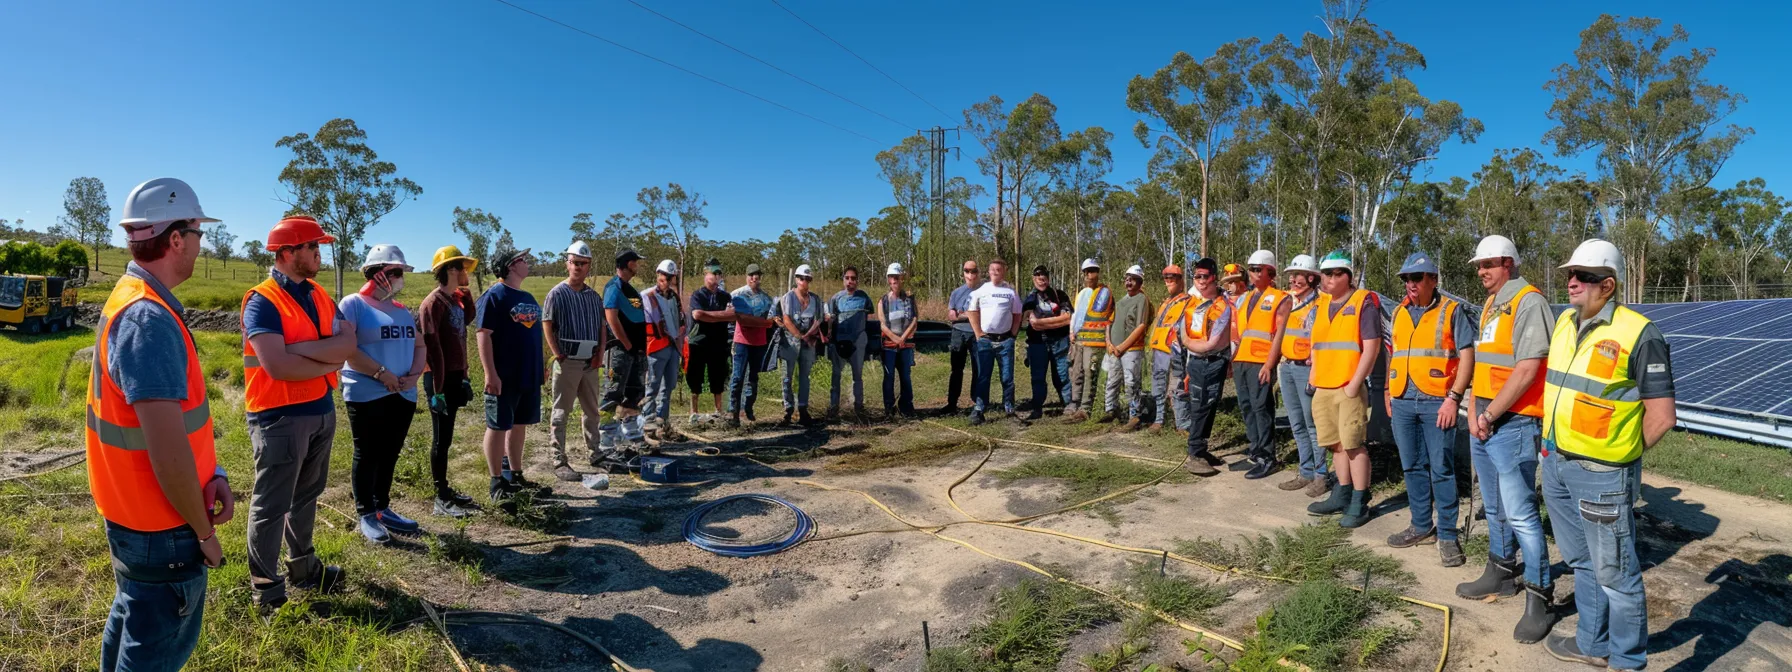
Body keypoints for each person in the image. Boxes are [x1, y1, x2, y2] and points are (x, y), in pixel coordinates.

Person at [90, 178, 230, 670]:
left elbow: (175, 434)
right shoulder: (148, 319)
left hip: (139, 515)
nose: (198, 244)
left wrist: (215, 475)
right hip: (163, 526)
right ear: (175, 239)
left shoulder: (132, 298)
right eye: (196, 233)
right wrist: (205, 536)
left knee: (133, 619)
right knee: (151, 650)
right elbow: (167, 454)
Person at [1538, 240, 1675, 671]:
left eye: (1584, 276)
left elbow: (1662, 416)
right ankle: (1592, 644)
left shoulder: (1640, 333)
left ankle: (1627, 661)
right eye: (1570, 275)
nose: (1572, 282)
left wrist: (1620, 460)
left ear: (1609, 285)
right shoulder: (1564, 322)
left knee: (1617, 576)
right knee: (1581, 561)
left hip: (1602, 475)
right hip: (1556, 463)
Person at [241, 214, 353, 613]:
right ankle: (267, 590)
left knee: (307, 495)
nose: (318, 253)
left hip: (321, 408)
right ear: (288, 253)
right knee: (271, 505)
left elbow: (347, 343)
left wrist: (310, 356)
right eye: (312, 246)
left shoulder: (321, 295)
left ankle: (304, 568)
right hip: (279, 416)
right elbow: (277, 367)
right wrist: (327, 358)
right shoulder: (262, 301)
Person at [1455, 234, 1558, 644]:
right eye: (1479, 266)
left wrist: (1490, 413)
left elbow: (1528, 369)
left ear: (1509, 264)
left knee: (1521, 514)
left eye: (1490, 264)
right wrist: (1472, 411)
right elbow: (1486, 365)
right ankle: (1500, 571)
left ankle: (1539, 594)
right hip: (1485, 419)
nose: (1482, 272)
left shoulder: (1528, 302)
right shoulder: (1492, 303)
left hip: (1512, 423)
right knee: (1494, 506)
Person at [1384, 251, 1474, 567]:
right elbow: (1392, 354)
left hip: (1439, 401)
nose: (1410, 283)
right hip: (1403, 400)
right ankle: (1421, 526)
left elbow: (1467, 357)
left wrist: (1454, 398)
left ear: (1432, 280)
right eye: (1406, 278)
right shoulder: (1398, 313)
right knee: (1411, 466)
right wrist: (1387, 390)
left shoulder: (1452, 311)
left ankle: (1448, 534)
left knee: (1441, 468)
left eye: (1416, 277)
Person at [337, 245, 427, 544]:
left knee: (390, 452)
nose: (401, 278)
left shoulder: (401, 310)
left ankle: (382, 507)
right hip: (367, 392)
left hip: (402, 394)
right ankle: (366, 512)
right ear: (377, 273)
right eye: (396, 272)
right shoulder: (353, 304)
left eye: (402, 273)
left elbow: (419, 345)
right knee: (368, 452)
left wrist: (414, 375)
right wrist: (382, 374)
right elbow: (348, 349)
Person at [1304, 250, 1382, 529]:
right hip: (1323, 386)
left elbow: (1371, 347)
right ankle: (1342, 492)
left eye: (1338, 273)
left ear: (1349, 276)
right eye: (1327, 273)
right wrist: (1313, 379)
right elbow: (1316, 347)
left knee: (1353, 445)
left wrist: (1354, 384)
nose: (1331, 278)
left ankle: (1360, 500)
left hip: (1348, 386)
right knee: (1335, 445)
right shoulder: (1321, 305)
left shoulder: (1363, 302)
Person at [476, 247, 545, 506]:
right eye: (523, 260)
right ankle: (496, 480)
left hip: (528, 375)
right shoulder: (494, 295)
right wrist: (490, 373)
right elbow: (483, 334)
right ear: (511, 266)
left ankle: (515, 474)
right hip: (504, 375)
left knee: (519, 425)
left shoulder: (527, 295)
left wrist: (540, 367)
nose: (527, 263)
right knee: (497, 425)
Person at [421, 246, 479, 518]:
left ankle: (445, 489)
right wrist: (438, 390)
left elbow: (466, 322)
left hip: (455, 376)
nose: (467, 272)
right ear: (451, 270)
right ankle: (440, 497)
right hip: (439, 380)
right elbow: (432, 347)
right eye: (463, 267)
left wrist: (467, 299)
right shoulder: (433, 303)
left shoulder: (454, 299)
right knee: (440, 439)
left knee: (448, 438)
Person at [543, 241, 607, 481]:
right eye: (574, 263)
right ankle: (558, 459)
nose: (578, 267)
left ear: (589, 266)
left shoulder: (593, 297)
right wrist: (558, 353)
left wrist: (600, 354)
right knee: (561, 411)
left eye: (583, 263)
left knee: (592, 411)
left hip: (590, 361)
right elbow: (547, 324)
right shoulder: (556, 293)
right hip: (568, 360)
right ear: (567, 264)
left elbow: (602, 326)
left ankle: (595, 453)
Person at [1231, 250, 1292, 479]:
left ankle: (1268, 456)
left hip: (1260, 361)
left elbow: (1278, 335)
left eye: (1258, 269)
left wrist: (1269, 365)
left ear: (1271, 272)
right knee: (1246, 407)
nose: (1253, 273)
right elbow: (1238, 332)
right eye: (1251, 269)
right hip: (1241, 360)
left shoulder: (1281, 298)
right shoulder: (1245, 298)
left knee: (1261, 408)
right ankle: (1255, 451)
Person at [1277, 254, 1331, 498]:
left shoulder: (1320, 304)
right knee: (1296, 422)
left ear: (1311, 278)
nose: (1294, 280)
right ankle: (1305, 471)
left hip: (1306, 369)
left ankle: (1321, 476)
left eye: (1299, 276)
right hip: (1287, 366)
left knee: (1312, 424)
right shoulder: (1288, 301)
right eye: (1292, 275)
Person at [1179, 258, 1233, 477]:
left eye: (1205, 276)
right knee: (1199, 405)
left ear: (1213, 277)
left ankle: (1202, 448)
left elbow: (1215, 340)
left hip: (1215, 360)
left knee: (1210, 405)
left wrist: (1198, 346)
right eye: (1197, 276)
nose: (1201, 281)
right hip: (1198, 362)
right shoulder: (1191, 303)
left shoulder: (1223, 305)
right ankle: (1195, 453)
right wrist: (1193, 346)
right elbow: (1183, 332)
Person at [600, 247, 651, 451]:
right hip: (620, 352)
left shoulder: (631, 289)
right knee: (612, 393)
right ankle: (605, 440)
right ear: (628, 263)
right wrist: (628, 344)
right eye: (635, 262)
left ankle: (631, 432)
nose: (637, 265)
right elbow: (611, 317)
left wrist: (640, 347)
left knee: (635, 392)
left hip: (637, 352)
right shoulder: (614, 287)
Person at [967, 259, 1023, 425]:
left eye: (999, 269)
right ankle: (979, 409)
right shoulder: (981, 291)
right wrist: (978, 333)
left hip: (1005, 341)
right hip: (985, 342)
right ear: (989, 272)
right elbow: (971, 311)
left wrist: (1012, 335)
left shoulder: (1011, 292)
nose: (995, 272)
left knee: (1007, 378)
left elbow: (1018, 314)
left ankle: (1009, 408)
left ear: (1004, 271)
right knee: (983, 376)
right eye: (993, 269)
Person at [641, 260, 686, 441]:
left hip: (673, 347)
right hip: (655, 347)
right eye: (662, 275)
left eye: (669, 276)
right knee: (651, 387)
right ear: (657, 274)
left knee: (668, 387)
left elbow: (681, 319)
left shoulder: (674, 297)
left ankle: (662, 424)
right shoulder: (647, 296)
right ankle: (648, 427)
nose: (665, 279)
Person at [1021, 264, 1072, 421]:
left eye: (1044, 277)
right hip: (1037, 343)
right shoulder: (1029, 299)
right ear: (1034, 279)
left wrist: (1041, 323)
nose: (1041, 280)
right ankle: (1037, 407)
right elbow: (1027, 322)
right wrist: (1057, 321)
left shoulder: (1060, 295)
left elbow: (1068, 318)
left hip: (1060, 341)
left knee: (1063, 375)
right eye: (1038, 277)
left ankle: (1069, 405)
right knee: (1037, 377)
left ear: (1048, 279)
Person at [1103, 265, 1152, 430]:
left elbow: (1141, 326)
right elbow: (1108, 323)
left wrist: (1123, 346)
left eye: (1132, 279)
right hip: (1115, 350)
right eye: (1127, 279)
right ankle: (1111, 410)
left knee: (1132, 382)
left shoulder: (1142, 300)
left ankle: (1134, 416)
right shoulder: (1120, 301)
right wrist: (1109, 343)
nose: (1128, 282)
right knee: (1112, 380)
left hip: (1132, 350)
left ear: (1139, 282)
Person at [687, 259, 734, 425]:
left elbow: (732, 316)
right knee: (695, 377)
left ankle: (718, 410)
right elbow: (697, 315)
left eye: (718, 273)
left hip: (719, 342)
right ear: (705, 275)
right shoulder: (697, 295)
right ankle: (694, 412)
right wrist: (722, 315)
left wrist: (710, 316)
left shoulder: (725, 296)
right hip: (699, 341)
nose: (715, 276)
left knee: (718, 376)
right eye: (712, 273)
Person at [729, 263, 776, 427]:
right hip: (742, 341)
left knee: (753, 377)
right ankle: (733, 411)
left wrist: (765, 323)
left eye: (757, 275)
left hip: (759, 341)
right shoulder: (737, 295)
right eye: (751, 275)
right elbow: (738, 318)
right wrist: (762, 323)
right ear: (746, 276)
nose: (754, 278)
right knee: (737, 376)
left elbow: (771, 320)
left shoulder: (767, 298)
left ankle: (748, 408)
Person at [1146, 265, 1192, 432]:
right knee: (1158, 385)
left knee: (1177, 387)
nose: (1168, 281)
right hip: (1159, 350)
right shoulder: (1165, 303)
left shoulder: (1188, 301)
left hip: (1175, 351)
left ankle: (1182, 424)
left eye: (1172, 278)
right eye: (1166, 278)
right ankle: (1159, 420)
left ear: (1181, 280)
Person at [778, 264, 826, 425]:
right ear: (796, 279)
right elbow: (787, 320)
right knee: (787, 377)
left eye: (807, 278)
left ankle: (803, 408)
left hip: (808, 342)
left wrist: (810, 335)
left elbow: (818, 319)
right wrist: (800, 336)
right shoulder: (787, 298)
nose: (804, 281)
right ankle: (788, 410)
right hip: (790, 343)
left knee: (805, 376)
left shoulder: (816, 300)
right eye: (801, 278)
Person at [1064, 259, 1110, 423]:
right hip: (1079, 338)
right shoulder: (1082, 293)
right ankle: (1074, 403)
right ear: (1083, 274)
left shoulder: (1103, 293)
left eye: (1093, 271)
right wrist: (1071, 332)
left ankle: (1085, 408)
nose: (1090, 275)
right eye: (1087, 271)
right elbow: (1076, 314)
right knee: (1077, 372)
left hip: (1094, 341)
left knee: (1089, 373)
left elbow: (1107, 318)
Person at [828, 266, 873, 423]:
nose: (850, 281)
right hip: (839, 343)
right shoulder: (835, 299)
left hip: (857, 343)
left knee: (857, 376)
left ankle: (858, 407)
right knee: (836, 376)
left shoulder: (864, 298)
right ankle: (833, 408)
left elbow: (869, 315)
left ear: (857, 281)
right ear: (843, 279)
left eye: (853, 278)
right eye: (847, 278)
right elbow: (830, 320)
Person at [878, 263, 920, 419]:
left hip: (906, 345)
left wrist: (903, 338)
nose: (895, 280)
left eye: (897, 277)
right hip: (889, 345)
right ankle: (889, 408)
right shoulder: (883, 300)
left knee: (905, 376)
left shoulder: (909, 298)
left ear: (902, 278)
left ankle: (906, 407)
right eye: (892, 277)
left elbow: (915, 319)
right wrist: (895, 339)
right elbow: (882, 323)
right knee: (888, 377)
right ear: (888, 280)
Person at [943, 260, 982, 414]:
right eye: (967, 271)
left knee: (978, 369)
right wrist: (971, 314)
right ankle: (951, 404)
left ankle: (978, 403)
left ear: (978, 272)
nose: (970, 274)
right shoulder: (956, 292)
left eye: (973, 271)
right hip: (958, 333)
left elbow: (983, 314)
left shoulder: (984, 291)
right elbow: (951, 315)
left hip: (976, 333)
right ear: (963, 272)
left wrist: (963, 314)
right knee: (956, 369)